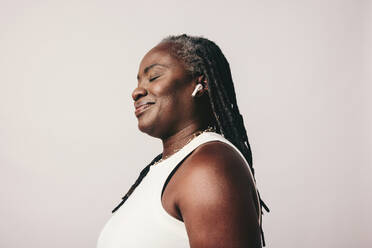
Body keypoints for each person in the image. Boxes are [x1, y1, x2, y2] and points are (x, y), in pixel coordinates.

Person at [97, 34, 269, 248]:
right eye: (139, 81)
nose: (137, 91)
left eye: (154, 77)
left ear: (201, 83)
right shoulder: (167, 169)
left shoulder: (209, 166)